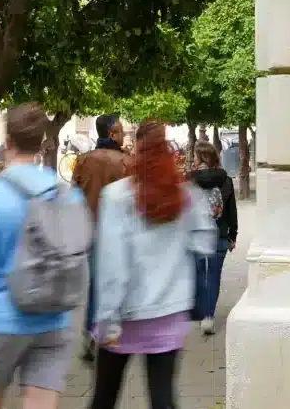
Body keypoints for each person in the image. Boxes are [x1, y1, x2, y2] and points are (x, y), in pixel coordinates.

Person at [0, 103, 85, 409]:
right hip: (55, 317)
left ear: (8, 142)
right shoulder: (67, 194)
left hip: (1, 321)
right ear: (41, 142)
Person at [89, 121, 216, 409]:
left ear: (137, 150)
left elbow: (113, 263)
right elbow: (205, 243)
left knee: (104, 398)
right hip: (170, 311)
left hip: (125, 315)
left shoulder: (118, 196)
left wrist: (107, 317)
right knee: (163, 398)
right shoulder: (186, 195)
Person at [71, 114, 131, 363]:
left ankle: (91, 331)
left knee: (95, 284)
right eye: (122, 132)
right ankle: (111, 331)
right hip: (119, 233)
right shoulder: (126, 162)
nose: (125, 135)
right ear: (113, 134)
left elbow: (74, 198)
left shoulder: (83, 161)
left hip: (90, 231)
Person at [188, 141, 239, 335]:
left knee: (199, 273)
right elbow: (231, 210)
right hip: (219, 233)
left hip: (196, 232)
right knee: (214, 275)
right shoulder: (225, 179)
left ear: (201, 158)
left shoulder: (191, 179)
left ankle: (201, 311)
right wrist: (233, 234)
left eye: (195, 156)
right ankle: (208, 316)